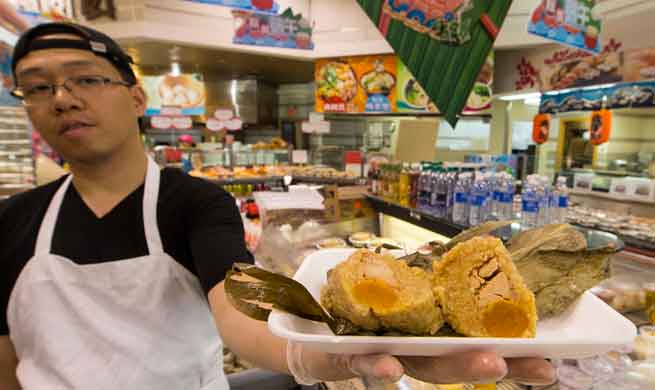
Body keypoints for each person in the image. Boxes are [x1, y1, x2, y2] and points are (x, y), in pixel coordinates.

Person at [0, 22, 556, 389]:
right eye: (37, 87)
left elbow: (239, 312)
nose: (64, 99)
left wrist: (317, 356)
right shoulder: (13, 220)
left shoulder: (193, 203)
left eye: (86, 79)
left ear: (136, 96)